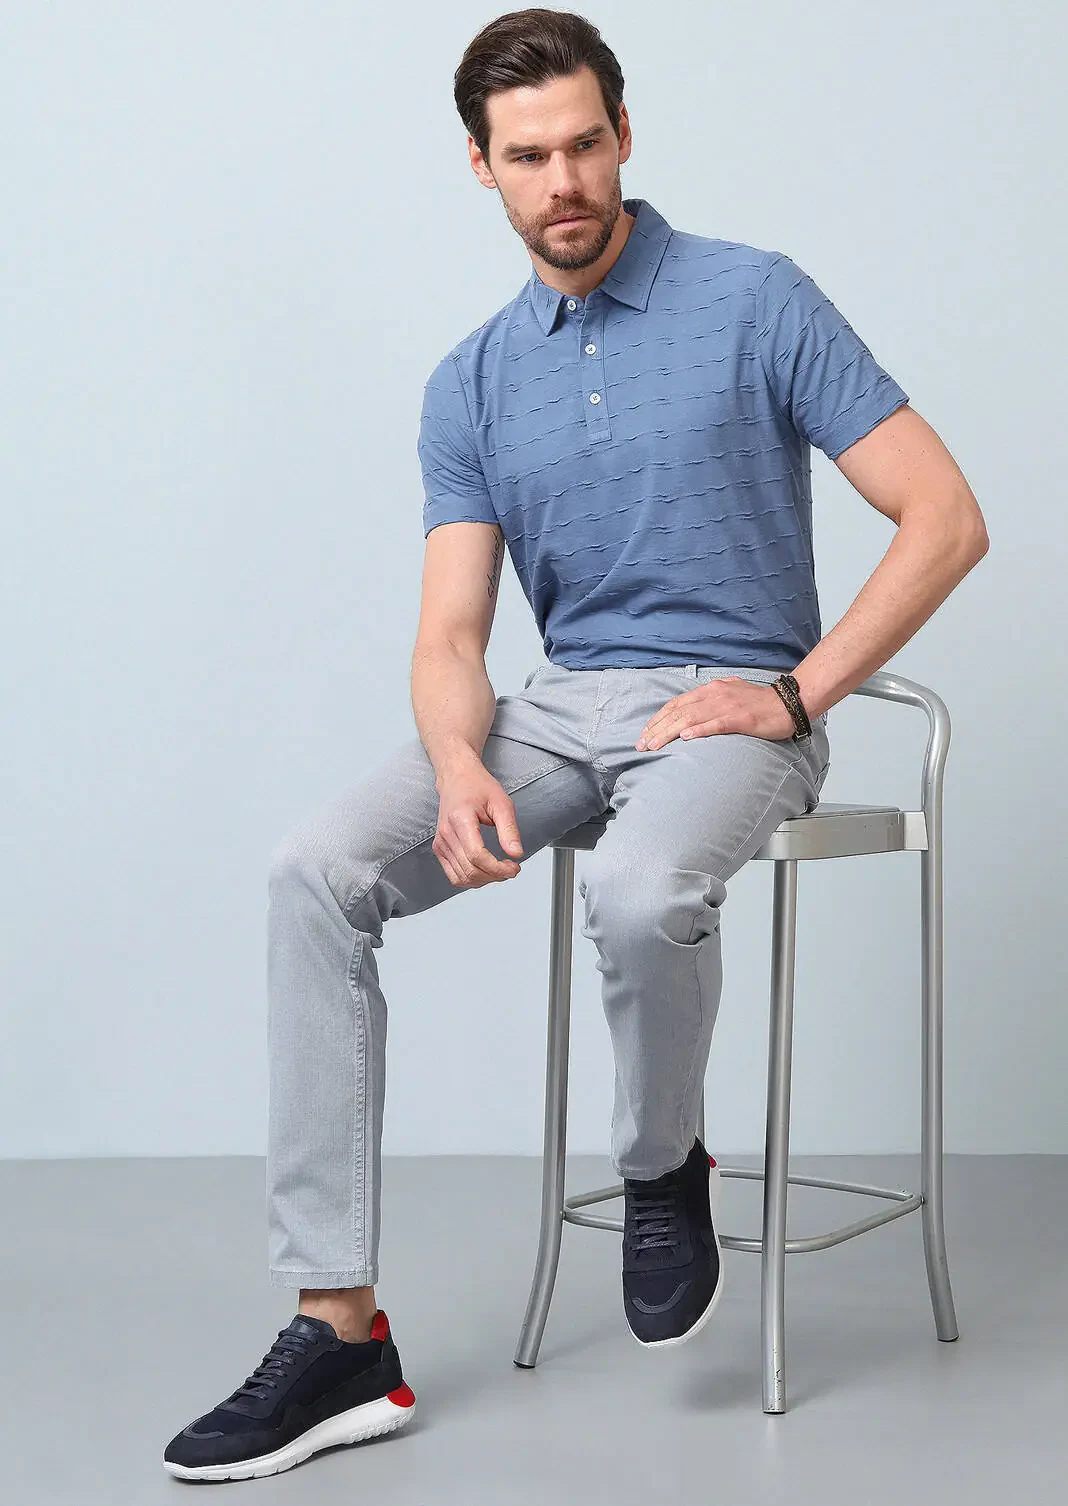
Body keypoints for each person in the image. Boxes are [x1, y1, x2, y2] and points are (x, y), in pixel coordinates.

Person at [163, 6, 989, 1483]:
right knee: (314, 870)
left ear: (624, 136)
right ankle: (339, 1329)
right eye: (530, 156)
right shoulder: (473, 378)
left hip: (730, 706)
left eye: (587, 145)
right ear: (481, 168)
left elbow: (946, 516)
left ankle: (663, 1163)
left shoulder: (754, 298)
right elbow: (451, 635)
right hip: (556, 711)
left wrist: (796, 694)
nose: (566, 182)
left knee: (637, 888)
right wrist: (459, 760)